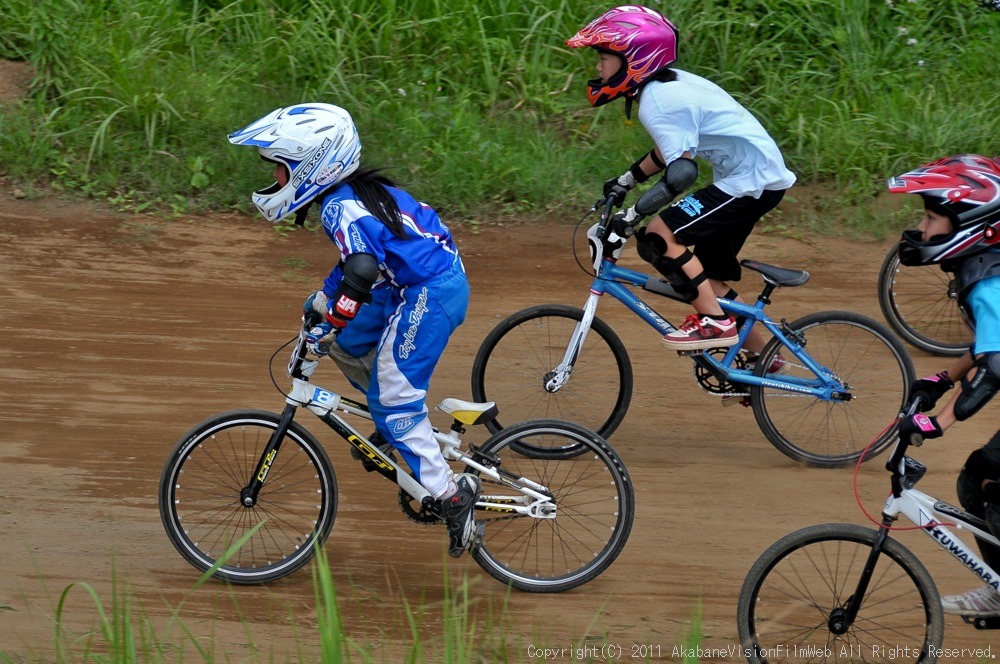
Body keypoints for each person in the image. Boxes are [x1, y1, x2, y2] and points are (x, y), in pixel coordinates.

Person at [227, 102, 480, 558]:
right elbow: (354, 263)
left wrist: (331, 321)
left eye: (281, 170)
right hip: (423, 280)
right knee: (349, 342)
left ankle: (450, 494)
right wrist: (322, 307)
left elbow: (361, 269)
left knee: (394, 397)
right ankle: (393, 425)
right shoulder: (354, 194)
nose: (276, 181)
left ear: (312, 166)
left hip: (428, 292)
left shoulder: (339, 207)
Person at [566, 5, 796, 352]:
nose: (599, 66)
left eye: (605, 56)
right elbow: (671, 152)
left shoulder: (658, 101)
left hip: (751, 182)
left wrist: (631, 218)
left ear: (633, 59)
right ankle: (764, 358)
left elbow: (682, 173)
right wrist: (626, 180)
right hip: (754, 177)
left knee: (659, 236)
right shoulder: (666, 88)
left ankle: (715, 324)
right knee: (704, 277)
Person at [892, 154, 1000, 616]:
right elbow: (985, 345)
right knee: (977, 479)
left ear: (974, 225)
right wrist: (939, 380)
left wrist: (940, 421)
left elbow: (996, 365)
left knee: (993, 486)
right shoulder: (983, 269)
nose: (923, 226)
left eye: (933, 216)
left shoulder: (986, 284)